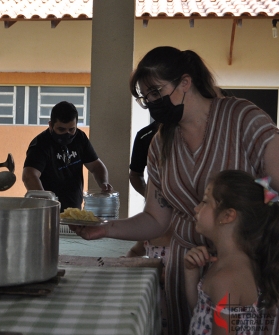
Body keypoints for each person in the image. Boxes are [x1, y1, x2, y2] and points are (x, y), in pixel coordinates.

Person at [72, 46, 279, 334]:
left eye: (156, 92)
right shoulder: (161, 143)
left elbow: (276, 191)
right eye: (146, 98)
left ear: (185, 82)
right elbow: (157, 219)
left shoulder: (242, 119)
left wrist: (261, 243)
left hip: (245, 271)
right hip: (188, 269)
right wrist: (105, 229)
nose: (153, 102)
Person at [185, 170, 279, 334]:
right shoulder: (225, 263)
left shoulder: (227, 278)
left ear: (228, 215)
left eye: (205, 202)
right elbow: (201, 314)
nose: (196, 208)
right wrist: (191, 272)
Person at [22, 101, 112, 211]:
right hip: (47, 211)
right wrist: (46, 202)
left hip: (74, 209)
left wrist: (103, 183)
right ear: (50, 125)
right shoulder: (41, 144)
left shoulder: (80, 138)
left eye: (71, 129)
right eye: (61, 129)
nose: (67, 134)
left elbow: (96, 166)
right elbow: (29, 176)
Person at [126, 120, 172, 335]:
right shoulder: (145, 136)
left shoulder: (190, 231)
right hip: (156, 308)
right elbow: (136, 251)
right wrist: (152, 199)